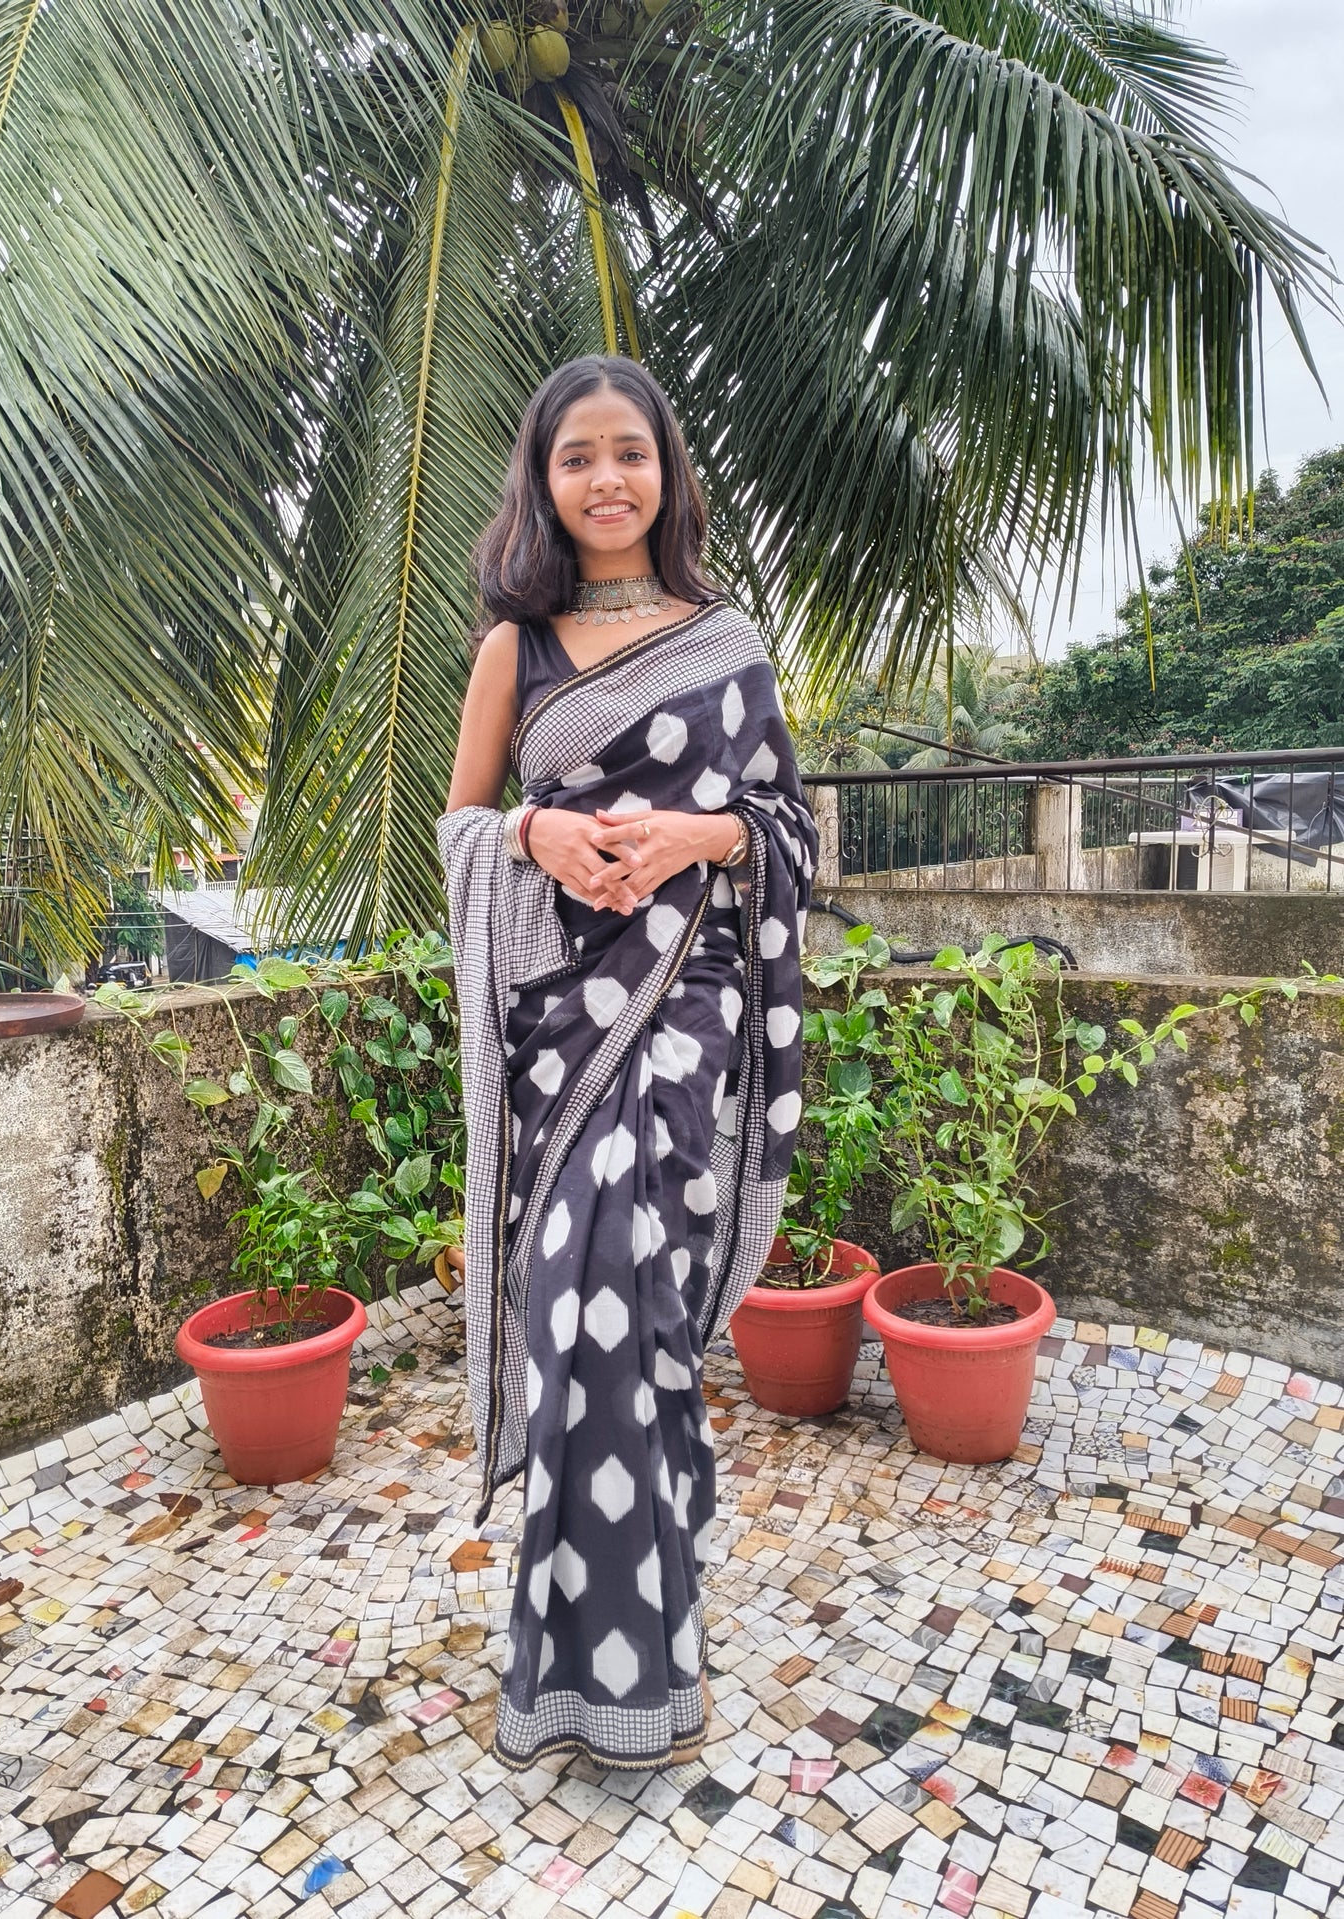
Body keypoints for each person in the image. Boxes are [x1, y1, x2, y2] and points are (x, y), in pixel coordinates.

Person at [439, 356, 816, 1772]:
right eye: (576, 458)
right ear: (541, 481)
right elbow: (460, 824)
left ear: (666, 472)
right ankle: (579, 1662)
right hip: (561, 1016)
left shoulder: (724, 644)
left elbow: (786, 827)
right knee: (572, 1305)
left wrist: (694, 836)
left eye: (629, 454)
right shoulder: (511, 652)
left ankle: (648, 1652)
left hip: (686, 1006)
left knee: (634, 1306)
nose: (605, 480)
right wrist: (534, 837)